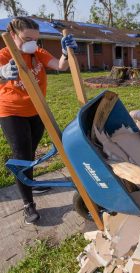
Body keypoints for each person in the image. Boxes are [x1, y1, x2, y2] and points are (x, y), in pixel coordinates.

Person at [0, 17, 78, 224]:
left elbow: (61, 66)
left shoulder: (37, 53)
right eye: (27, 38)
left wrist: (65, 52)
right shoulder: (4, 55)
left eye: (36, 39)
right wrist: (2, 74)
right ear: (13, 36)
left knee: (31, 152)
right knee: (22, 155)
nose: (32, 43)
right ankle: (28, 204)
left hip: (37, 111)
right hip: (12, 113)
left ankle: (31, 182)